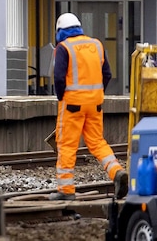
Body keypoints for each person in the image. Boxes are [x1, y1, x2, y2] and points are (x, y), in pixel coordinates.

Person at [49, 12, 128, 200]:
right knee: (97, 142)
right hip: (95, 104)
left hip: (72, 105)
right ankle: (117, 171)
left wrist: (62, 98)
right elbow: (107, 74)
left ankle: (66, 191)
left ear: (60, 31)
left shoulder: (64, 47)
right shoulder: (96, 45)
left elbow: (59, 77)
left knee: (67, 145)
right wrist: (96, 95)